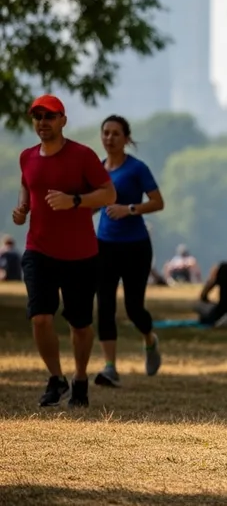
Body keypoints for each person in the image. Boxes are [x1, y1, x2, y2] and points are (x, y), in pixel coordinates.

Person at [15, 94, 116, 408]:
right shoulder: (27, 157)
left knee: (80, 324)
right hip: (38, 249)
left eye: (49, 116)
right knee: (40, 318)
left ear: (63, 120)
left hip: (80, 255)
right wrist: (23, 208)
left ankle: (80, 378)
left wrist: (74, 200)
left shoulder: (82, 155)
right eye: (38, 117)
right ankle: (56, 378)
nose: (43, 122)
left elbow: (109, 194)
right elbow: (28, 184)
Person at [93, 115, 164, 387]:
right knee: (105, 305)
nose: (109, 138)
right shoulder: (98, 170)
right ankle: (110, 367)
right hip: (104, 245)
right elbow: (94, 203)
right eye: (106, 133)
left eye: (115, 133)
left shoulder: (137, 168)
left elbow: (158, 202)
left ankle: (149, 339)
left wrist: (129, 209)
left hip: (135, 246)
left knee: (134, 308)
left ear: (126, 138)